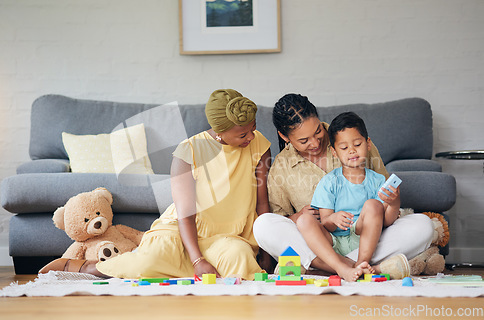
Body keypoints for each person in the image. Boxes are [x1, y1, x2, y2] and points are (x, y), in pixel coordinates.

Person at [39, 89, 272, 280]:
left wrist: (266, 251)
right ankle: (87, 268)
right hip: (184, 230)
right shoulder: (188, 152)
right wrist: (198, 260)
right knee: (152, 260)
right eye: (243, 135)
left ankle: (185, 269)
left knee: (239, 257)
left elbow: (262, 201)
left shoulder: (259, 144)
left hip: (230, 235)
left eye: (252, 129)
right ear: (220, 132)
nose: (251, 137)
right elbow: (185, 214)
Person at [253, 93, 433, 279]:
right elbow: (279, 218)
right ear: (285, 136)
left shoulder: (349, 137)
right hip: (321, 240)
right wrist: (297, 217)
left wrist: (392, 201)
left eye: (317, 132)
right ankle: (359, 267)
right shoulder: (281, 166)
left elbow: (385, 200)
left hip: (368, 236)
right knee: (263, 225)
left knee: (424, 226)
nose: (315, 143)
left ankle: (324, 269)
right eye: (304, 141)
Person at [310, 111, 401, 272]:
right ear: (334, 152)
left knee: (422, 225)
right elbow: (325, 223)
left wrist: (394, 202)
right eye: (344, 147)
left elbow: (386, 221)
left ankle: (361, 263)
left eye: (357, 145)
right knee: (305, 222)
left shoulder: (378, 180)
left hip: (367, 240)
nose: (352, 151)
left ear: (368, 144)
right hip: (335, 242)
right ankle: (350, 265)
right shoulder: (329, 182)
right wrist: (333, 218)